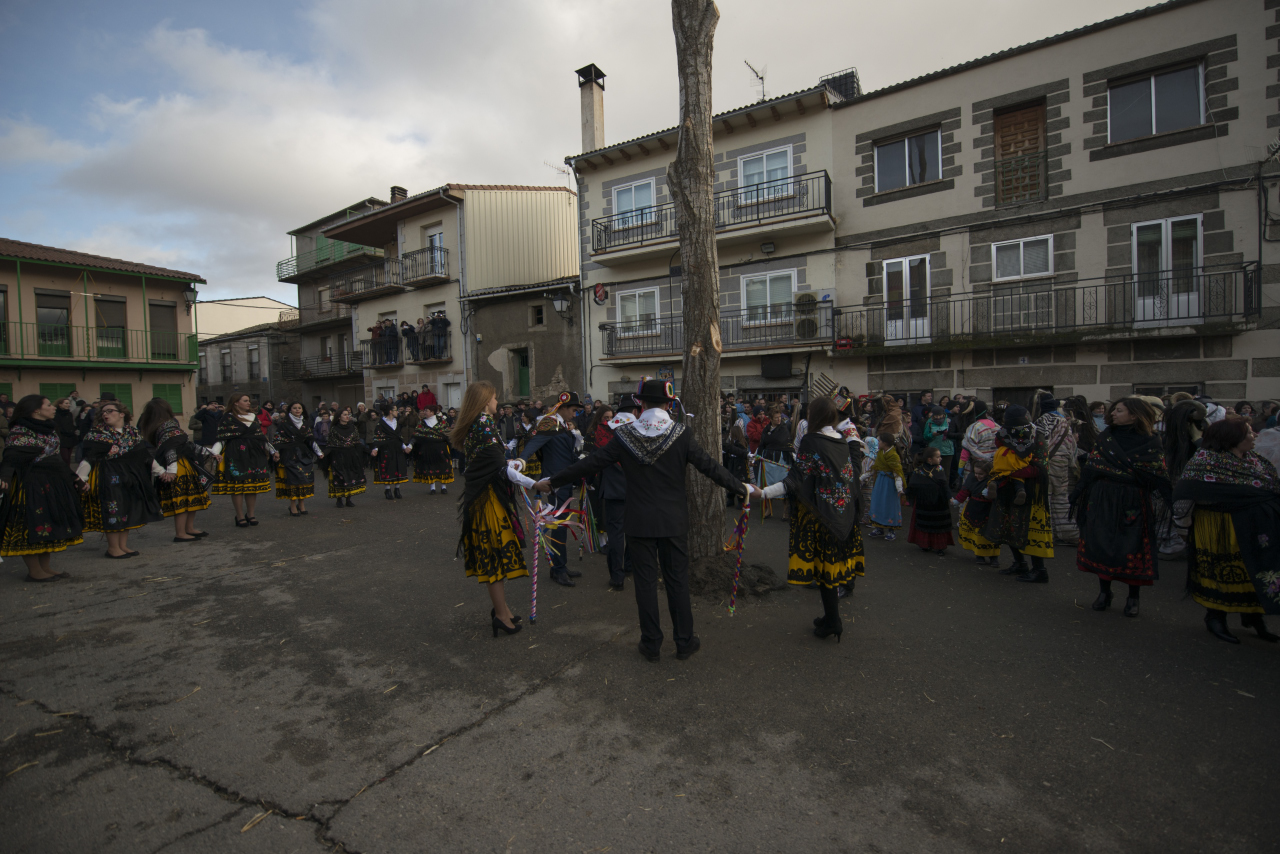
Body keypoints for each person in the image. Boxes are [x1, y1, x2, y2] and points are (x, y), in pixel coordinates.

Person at [536, 379, 752, 662]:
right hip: (673, 520)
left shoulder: (625, 435)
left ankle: (651, 643)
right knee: (677, 581)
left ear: (641, 404)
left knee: (646, 583)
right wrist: (743, 489)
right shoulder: (681, 433)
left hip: (639, 519)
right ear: (668, 404)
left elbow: (591, 463)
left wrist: (552, 481)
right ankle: (684, 641)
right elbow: (711, 467)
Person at [758, 395, 864, 641]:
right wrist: (855, 440)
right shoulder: (843, 440)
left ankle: (833, 621)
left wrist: (763, 492)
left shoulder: (811, 440)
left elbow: (795, 480)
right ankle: (830, 618)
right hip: (843, 516)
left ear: (812, 417)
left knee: (826, 572)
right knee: (831, 570)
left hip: (823, 517)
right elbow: (853, 473)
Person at [1174, 417, 1280, 644]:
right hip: (1218, 528)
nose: (1255, 437)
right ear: (1232, 438)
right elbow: (1185, 495)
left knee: (1255, 571)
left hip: (1256, 530)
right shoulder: (1205, 461)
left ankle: (1253, 616)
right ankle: (1215, 617)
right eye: (1249, 434)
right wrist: (1182, 527)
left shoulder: (1256, 461)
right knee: (1221, 571)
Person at [450, 380, 539, 637]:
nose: (497, 402)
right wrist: (535, 484)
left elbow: (496, 461)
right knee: (494, 556)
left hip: (487, 497)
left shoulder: (482, 425)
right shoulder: (483, 425)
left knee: (497, 555)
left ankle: (503, 609)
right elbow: (501, 469)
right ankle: (500, 614)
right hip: (486, 500)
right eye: (494, 398)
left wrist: (513, 462)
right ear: (485, 400)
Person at [1072, 398, 1171, 618]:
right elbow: (1092, 467)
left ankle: (1133, 597)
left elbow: (1158, 473)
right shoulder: (1107, 437)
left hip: (1133, 499)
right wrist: (1078, 492)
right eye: (1114, 410)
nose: (1113, 414)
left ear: (1134, 415)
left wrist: (1172, 501)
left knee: (1131, 545)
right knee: (1103, 542)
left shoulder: (1151, 441)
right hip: (1103, 497)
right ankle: (1104, 592)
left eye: (1119, 410)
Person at [0, 395, 86, 579]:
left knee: (48, 525)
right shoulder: (20, 431)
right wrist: (5, 477)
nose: (53, 407)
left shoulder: (50, 430)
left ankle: (45, 568)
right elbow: (11, 457)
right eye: (48, 405)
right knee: (32, 525)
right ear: (36, 410)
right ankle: (35, 571)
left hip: (51, 483)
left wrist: (76, 479)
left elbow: (55, 460)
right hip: (29, 484)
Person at [78, 400, 165, 558]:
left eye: (110, 411)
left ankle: (123, 545)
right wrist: (81, 478)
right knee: (113, 509)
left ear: (122, 414)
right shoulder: (97, 434)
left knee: (127, 509)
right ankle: (113, 548)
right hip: (108, 475)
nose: (105, 414)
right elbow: (88, 458)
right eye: (103, 412)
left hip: (130, 475)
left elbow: (144, 455)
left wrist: (160, 471)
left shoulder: (132, 432)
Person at [520, 392, 587, 587]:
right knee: (557, 526)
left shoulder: (562, 425)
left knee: (562, 525)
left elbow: (567, 454)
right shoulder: (549, 423)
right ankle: (558, 570)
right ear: (563, 407)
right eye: (573, 410)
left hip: (564, 480)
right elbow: (534, 444)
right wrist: (521, 460)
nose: (574, 415)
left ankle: (560, 566)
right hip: (554, 483)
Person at [983, 405, 1054, 583]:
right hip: (1007, 488)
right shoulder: (1003, 434)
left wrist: (1010, 472)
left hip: (1030, 490)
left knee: (1030, 529)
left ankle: (1039, 569)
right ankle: (1019, 563)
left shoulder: (1037, 436)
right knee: (1009, 525)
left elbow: (1042, 468)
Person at [137, 397, 217, 542]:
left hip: (184, 465)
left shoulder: (157, 427)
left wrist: (211, 453)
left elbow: (187, 445)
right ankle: (181, 532)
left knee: (190, 498)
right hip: (179, 467)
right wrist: (172, 471)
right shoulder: (168, 426)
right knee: (183, 500)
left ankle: (188, 528)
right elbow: (171, 449)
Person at [211, 393, 276, 527]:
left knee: (252, 486)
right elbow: (222, 438)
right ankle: (239, 515)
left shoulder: (253, 417)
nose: (249, 403)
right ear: (236, 402)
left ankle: (250, 514)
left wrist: (273, 451)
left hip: (255, 453)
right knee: (238, 486)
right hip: (236, 453)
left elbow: (261, 437)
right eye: (245, 401)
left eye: (248, 401)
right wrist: (215, 453)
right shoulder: (227, 418)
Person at [1033, 392, 1079, 545]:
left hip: (1048, 462)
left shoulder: (1042, 420)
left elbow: (1042, 442)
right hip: (1063, 462)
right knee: (1061, 497)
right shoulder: (1064, 421)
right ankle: (1069, 532)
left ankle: (1046, 532)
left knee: (1046, 496)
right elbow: (1072, 444)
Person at [275, 402, 322, 516]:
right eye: (294, 408)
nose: (297, 410)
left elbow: (310, 439)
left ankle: (301, 504)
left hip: (303, 454)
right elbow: (277, 439)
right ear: (290, 410)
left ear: (302, 410)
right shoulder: (284, 423)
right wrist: (276, 452)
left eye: (299, 408)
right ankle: (292, 506)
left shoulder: (305, 423)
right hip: (289, 454)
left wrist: (319, 452)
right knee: (293, 480)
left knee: (304, 479)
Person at [906, 446, 954, 555]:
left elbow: (944, 484)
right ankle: (925, 544)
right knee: (925, 524)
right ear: (930, 459)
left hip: (939, 503)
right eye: (938, 457)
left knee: (938, 525)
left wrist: (949, 496)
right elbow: (912, 486)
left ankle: (939, 546)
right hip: (924, 503)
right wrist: (905, 494)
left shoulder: (939, 469)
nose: (940, 458)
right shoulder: (918, 471)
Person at [955, 460, 998, 568]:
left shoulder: (994, 481)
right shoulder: (971, 479)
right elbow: (965, 491)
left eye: (981, 474)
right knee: (977, 534)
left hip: (988, 511)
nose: (978, 476)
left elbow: (999, 496)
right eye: (976, 473)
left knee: (990, 534)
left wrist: (991, 495)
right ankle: (979, 555)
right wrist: (957, 500)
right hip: (974, 508)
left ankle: (994, 557)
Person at [867, 431, 905, 539]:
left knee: (890, 505)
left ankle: (891, 530)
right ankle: (879, 528)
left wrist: (899, 488)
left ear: (885, 443)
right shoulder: (880, 453)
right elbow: (875, 468)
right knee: (878, 503)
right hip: (880, 482)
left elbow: (897, 473)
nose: (877, 442)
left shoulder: (893, 455)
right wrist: (862, 477)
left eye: (879, 441)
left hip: (890, 484)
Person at [369, 403, 411, 499]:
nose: (397, 412)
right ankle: (387, 490)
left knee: (398, 467)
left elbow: (399, 437)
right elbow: (377, 437)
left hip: (397, 448)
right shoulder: (381, 423)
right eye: (395, 410)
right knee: (387, 468)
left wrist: (404, 447)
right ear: (390, 411)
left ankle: (397, 489)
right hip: (386, 449)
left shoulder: (396, 422)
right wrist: (375, 449)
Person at [413, 406, 455, 494]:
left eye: (426, 410)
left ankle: (444, 487)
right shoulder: (422, 422)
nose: (424, 412)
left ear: (432, 412)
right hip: (428, 447)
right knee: (430, 466)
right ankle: (432, 488)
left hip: (440, 447)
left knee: (443, 465)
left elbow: (447, 432)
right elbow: (417, 434)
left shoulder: (441, 421)